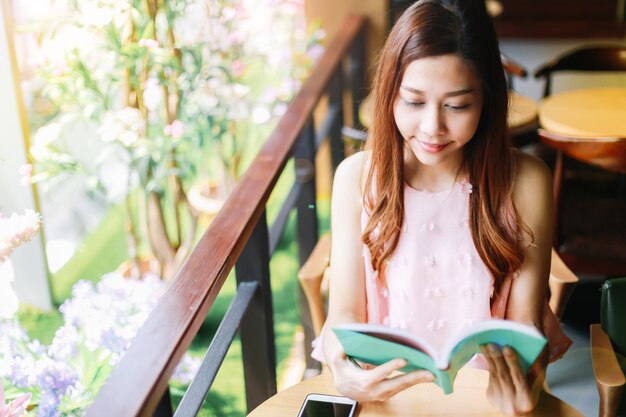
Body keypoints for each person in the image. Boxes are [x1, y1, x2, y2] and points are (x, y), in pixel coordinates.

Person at [314, 0, 572, 415]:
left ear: (487, 99)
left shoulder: (525, 181)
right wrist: (342, 368)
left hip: (488, 399)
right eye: (413, 102)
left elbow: (527, 324)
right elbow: (343, 313)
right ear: (389, 95)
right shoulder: (356, 178)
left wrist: (527, 382)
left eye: (457, 105)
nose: (432, 127)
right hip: (389, 397)